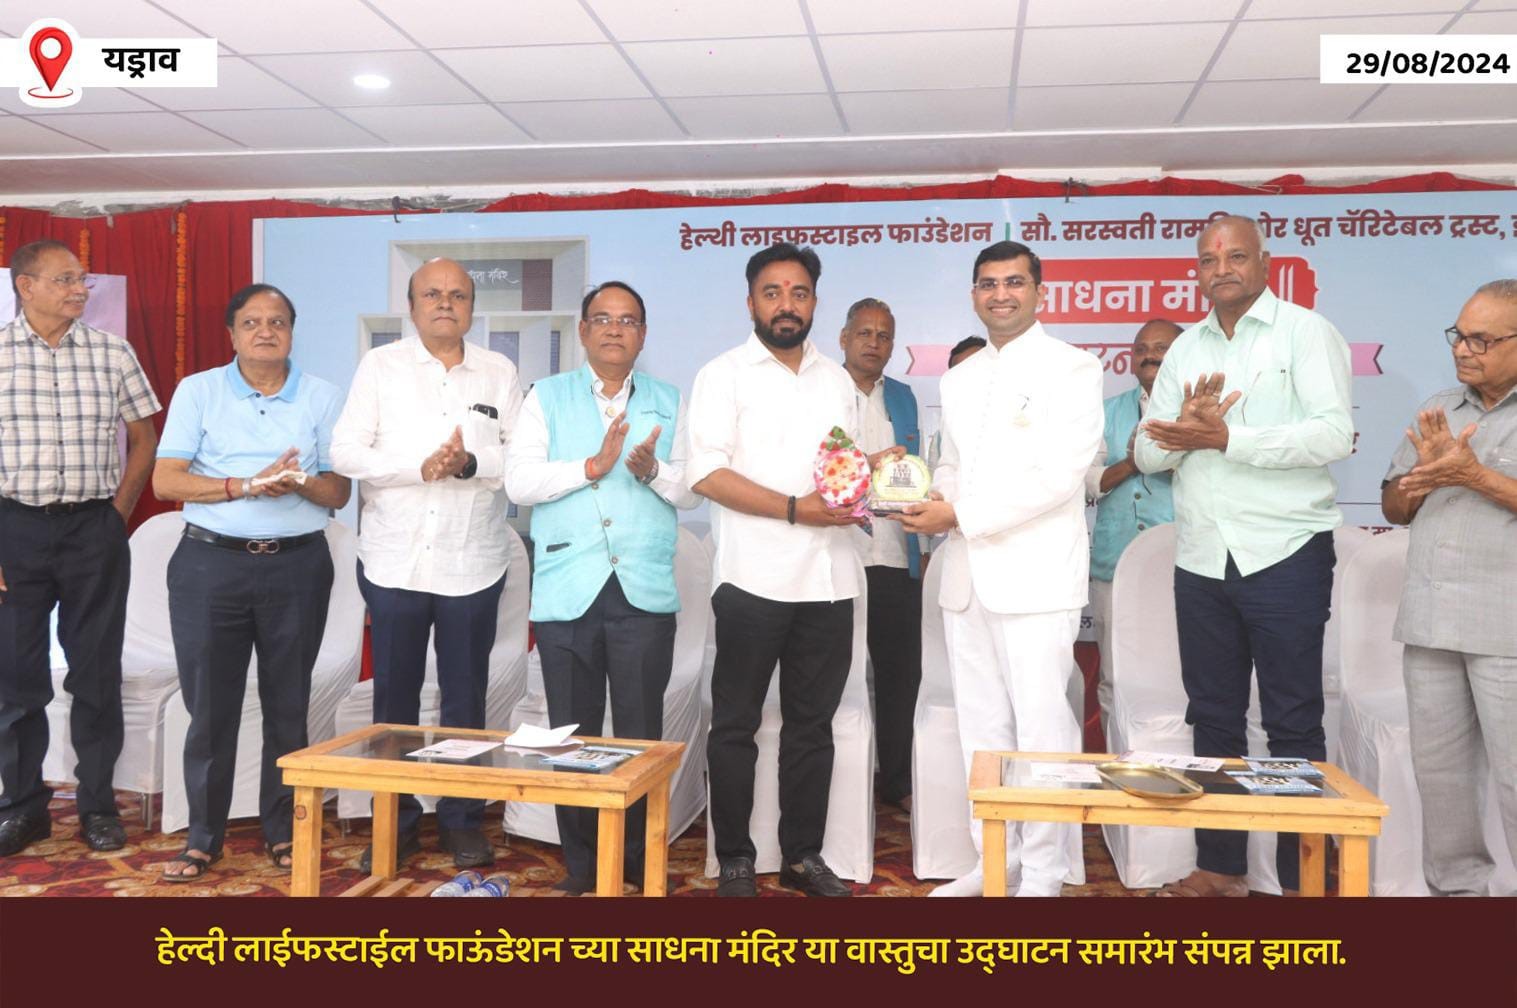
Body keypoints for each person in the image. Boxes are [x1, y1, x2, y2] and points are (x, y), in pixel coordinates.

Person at [1135, 215, 1353, 898]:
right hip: (1201, 557)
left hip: (1284, 552)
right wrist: (1182, 435)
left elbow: (1332, 434)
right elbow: (1146, 452)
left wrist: (1228, 438)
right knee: (1214, 717)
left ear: (1263, 262)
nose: (1220, 268)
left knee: (1291, 720)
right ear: (1196, 271)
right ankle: (1220, 867)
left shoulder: (1303, 332)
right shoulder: (1183, 351)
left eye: (1234, 256)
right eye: (1207, 259)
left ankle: (1300, 880)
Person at [900, 240, 1103, 897]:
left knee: (1041, 730)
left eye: (1014, 282)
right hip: (966, 580)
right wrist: (933, 501)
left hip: (1036, 579)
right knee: (981, 731)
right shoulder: (958, 379)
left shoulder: (1072, 368)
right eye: (987, 284)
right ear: (972, 294)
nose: (1001, 294)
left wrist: (956, 516)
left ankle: (1042, 871)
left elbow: (1057, 477)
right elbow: (955, 466)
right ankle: (996, 861)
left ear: (1039, 291)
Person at [688, 243, 882, 898]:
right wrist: (798, 510)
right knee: (735, 725)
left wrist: (876, 478)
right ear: (750, 302)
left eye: (798, 293)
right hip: (751, 582)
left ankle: (803, 856)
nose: (785, 304)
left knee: (811, 728)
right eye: (772, 292)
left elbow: (843, 470)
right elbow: (707, 474)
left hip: (828, 582)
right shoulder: (723, 375)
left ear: (813, 303)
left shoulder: (836, 380)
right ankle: (736, 858)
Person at [504, 280, 698, 895]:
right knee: (574, 736)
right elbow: (519, 482)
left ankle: (636, 863)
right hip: (568, 589)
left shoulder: (670, 400)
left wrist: (654, 471)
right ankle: (584, 867)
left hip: (641, 589)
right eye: (603, 319)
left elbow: (694, 486)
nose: (616, 329)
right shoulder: (544, 398)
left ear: (643, 333)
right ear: (584, 331)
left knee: (642, 737)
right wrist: (590, 468)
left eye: (630, 320)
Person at [152, 284, 350, 881]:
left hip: (297, 566)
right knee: (209, 709)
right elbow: (166, 480)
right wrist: (243, 485)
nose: (265, 331)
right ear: (231, 333)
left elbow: (338, 491)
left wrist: (297, 481)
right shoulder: (199, 390)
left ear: (293, 331)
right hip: (211, 566)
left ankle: (284, 832)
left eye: (278, 322)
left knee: (289, 706)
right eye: (252, 322)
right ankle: (202, 838)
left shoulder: (322, 395)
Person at [331, 257, 523, 870]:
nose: (446, 304)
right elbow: (345, 452)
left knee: (466, 698)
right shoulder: (380, 367)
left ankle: (463, 820)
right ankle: (395, 822)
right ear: (412, 307)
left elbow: (520, 461)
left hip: (473, 561)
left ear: (472, 307)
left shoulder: (498, 371)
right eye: (432, 294)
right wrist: (420, 466)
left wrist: (469, 466)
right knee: (395, 700)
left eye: (458, 296)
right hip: (394, 562)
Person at [0, 239, 160, 858]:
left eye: (82, 280)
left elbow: (144, 437)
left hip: (93, 529)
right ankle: (22, 809)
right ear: (25, 286)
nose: (79, 289)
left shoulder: (111, 351)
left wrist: (116, 514)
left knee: (95, 677)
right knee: (17, 684)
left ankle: (97, 807)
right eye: (65, 279)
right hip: (13, 529)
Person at [1382, 279, 1517, 896]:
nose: (1463, 350)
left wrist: (1474, 475)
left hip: (1505, 629)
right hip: (1432, 622)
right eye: (1458, 335)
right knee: (1442, 784)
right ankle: (1460, 906)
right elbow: (1393, 507)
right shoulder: (1439, 406)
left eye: (1482, 339)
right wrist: (1420, 480)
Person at [836, 297, 922, 813]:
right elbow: (819, 469)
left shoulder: (907, 399)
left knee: (899, 677)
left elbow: (918, 472)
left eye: (884, 335)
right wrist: (864, 465)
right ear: (843, 338)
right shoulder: (822, 390)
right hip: (836, 556)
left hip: (894, 557)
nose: (874, 342)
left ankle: (896, 780)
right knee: (834, 676)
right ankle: (839, 783)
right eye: (864, 332)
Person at [1084, 319, 1181, 738]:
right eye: (1141, 348)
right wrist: (1130, 464)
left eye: (1161, 346)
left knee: (1181, 672)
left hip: (1184, 563)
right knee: (1113, 675)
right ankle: (1114, 765)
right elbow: (1088, 480)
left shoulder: (1201, 413)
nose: (1149, 355)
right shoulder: (1106, 412)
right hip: (1114, 562)